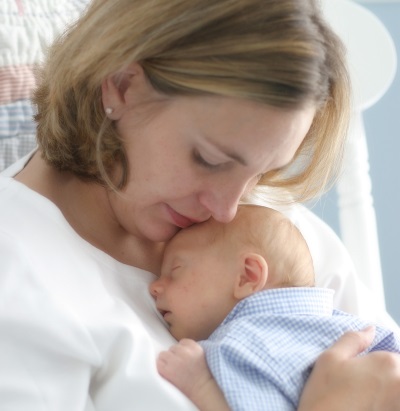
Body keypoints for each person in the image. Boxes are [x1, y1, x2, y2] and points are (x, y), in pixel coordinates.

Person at [0, 0, 399, 410]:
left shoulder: (273, 235)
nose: (228, 209)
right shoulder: (18, 276)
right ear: (120, 86)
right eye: (210, 160)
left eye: (260, 172)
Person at [151, 204, 400, 410]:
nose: (154, 288)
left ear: (247, 275)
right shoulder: (347, 326)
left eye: (176, 271)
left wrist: (202, 385)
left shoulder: (247, 346)